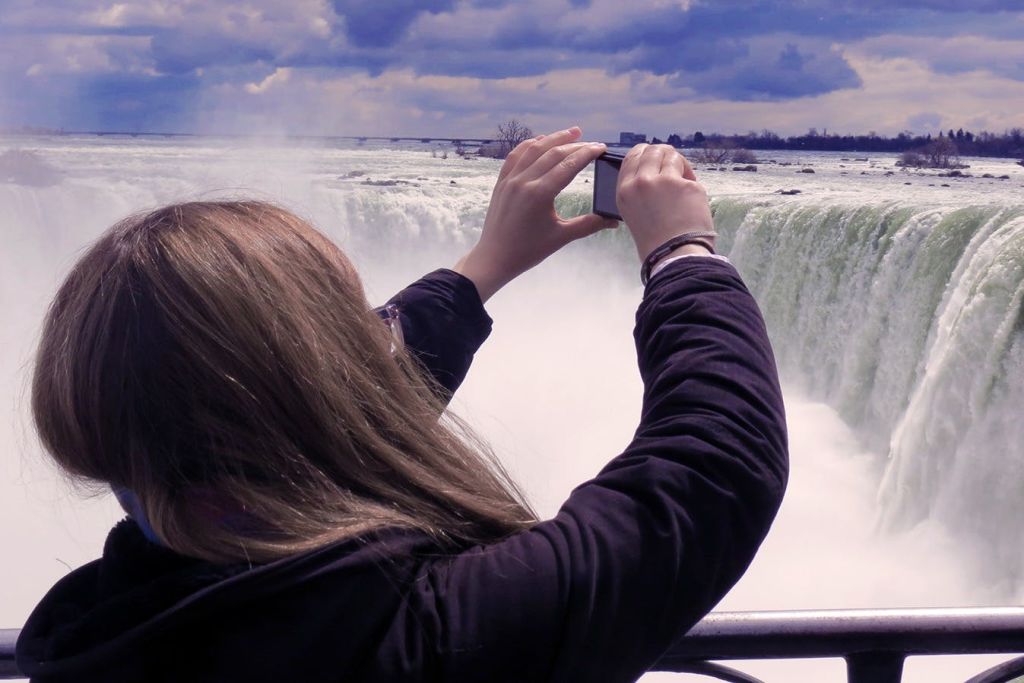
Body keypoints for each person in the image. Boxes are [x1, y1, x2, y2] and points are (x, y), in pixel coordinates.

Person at [16, 127, 788, 682]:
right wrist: (683, 256)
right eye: (354, 318)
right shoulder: (442, 635)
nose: (373, 331)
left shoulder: (90, 624)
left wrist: (484, 266)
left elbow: (323, 416)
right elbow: (711, 465)